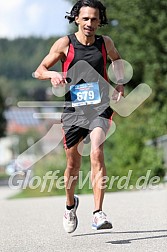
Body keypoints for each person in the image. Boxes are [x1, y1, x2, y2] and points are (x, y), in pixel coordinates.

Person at [34, 0, 124, 233]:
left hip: (99, 107)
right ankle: (70, 204)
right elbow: (39, 70)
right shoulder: (65, 44)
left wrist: (120, 83)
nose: (90, 23)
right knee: (73, 166)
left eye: (94, 19)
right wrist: (52, 74)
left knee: (96, 151)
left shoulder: (105, 43)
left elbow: (117, 60)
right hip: (74, 111)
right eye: (85, 18)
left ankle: (97, 213)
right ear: (76, 19)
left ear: (99, 21)